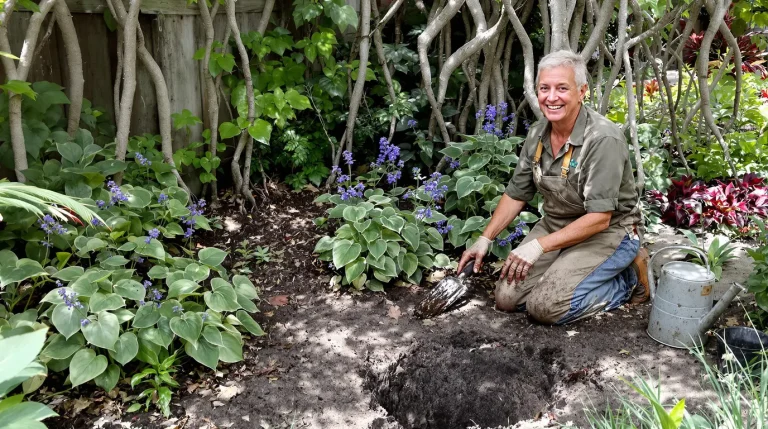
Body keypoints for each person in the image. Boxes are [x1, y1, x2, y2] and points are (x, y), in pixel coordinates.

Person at [457, 50, 649, 325]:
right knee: (507, 299)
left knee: (545, 308)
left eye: (562, 88)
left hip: (609, 233)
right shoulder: (538, 133)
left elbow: (600, 218)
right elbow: (517, 192)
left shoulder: (603, 139)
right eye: (544, 88)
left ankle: (628, 280)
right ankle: (567, 274)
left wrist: (538, 247)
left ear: (582, 91)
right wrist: (485, 238)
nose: (551, 97)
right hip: (557, 225)